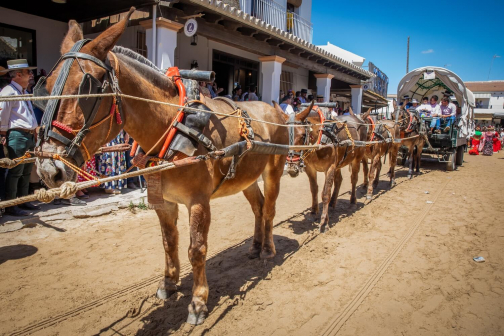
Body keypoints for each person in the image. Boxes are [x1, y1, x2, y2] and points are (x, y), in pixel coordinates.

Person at [0, 59, 41, 216]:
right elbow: (2, 116)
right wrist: (3, 134)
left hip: (28, 135)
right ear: (18, 74)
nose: (31, 75)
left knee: (26, 169)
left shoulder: (23, 92)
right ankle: (12, 204)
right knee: (16, 170)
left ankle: (24, 200)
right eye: (28, 72)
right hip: (17, 135)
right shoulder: (8, 93)